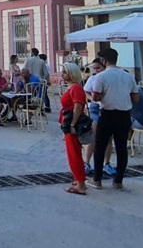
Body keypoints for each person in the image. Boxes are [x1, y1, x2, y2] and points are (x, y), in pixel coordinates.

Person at [90, 48, 139, 190]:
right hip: (124, 116)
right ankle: (118, 181)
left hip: (107, 114)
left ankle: (97, 179)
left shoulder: (101, 76)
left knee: (100, 147)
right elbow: (135, 98)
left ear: (104, 61)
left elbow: (95, 97)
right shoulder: (127, 76)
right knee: (121, 148)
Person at [82, 58, 114, 177]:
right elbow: (85, 92)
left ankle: (107, 163)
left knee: (108, 137)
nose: (95, 70)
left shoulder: (109, 77)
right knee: (93, 136)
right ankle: (87, 162)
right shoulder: (93, 78)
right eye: (94, 68)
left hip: (109, 107)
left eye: (98, 68)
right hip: (95, 108)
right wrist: (92, 99)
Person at [59, 62, 87, 195]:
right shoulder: (71, 87)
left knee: (74, 154)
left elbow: (78, 106)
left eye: (65, 71)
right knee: (73, 153)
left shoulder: (75, 88)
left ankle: (80, 184)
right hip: (67, 122)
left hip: (72, 123)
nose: (62, 74)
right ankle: (78, 180)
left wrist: (72, 124)